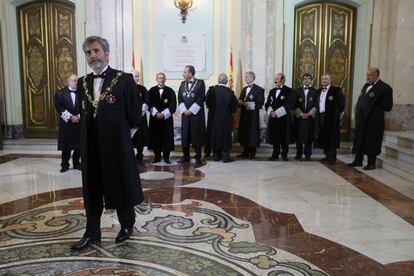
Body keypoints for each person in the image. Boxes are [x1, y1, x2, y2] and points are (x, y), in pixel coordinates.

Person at [71, 36, 143, 251]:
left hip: (117, 146)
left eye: (96, 51)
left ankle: (127, 225)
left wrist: (122, 137)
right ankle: (92, 233)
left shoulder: (124, 79)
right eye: (88, 53)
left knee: (119, 184)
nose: (93, 55)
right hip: (91, 146)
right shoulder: (83, 82)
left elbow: (135, 114)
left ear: (106, 53)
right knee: (91, 189)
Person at [348, 68, 393, 170]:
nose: (367, 77)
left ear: (377, 75)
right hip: (362, 120)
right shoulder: (366, 86)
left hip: (374, 121)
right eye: (367, 75)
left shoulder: (385, 88)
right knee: (360, 140)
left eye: (370, 75)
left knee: (372, 141)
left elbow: (388, 106)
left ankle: (371, 163)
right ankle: (358, 160)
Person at [206, 73, 238, 162]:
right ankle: (225, 156)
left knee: (216, 135)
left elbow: (208, 103)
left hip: (214, 118)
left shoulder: (212, 90)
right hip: (226, 118)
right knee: (225, 136)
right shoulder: (230, 92)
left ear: (218, 80)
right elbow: (234, 106)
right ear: (227, 81)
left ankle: (216, 156)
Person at [177, 65, 206, 164]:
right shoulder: (182, 84)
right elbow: (180, 98)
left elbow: (200, 98)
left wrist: (191, 110)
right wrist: (184, 110)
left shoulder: (200, 83)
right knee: (185, 136)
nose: (183, 74)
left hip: (196, 115)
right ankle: (186, 156)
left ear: (190, 73)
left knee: (196, 135)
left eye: (185, 72)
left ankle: (198, 157)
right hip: (185, 115)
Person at [315, 74, 345, 165]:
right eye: (322, 79)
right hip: (320, 115)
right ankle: (327, 155)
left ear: (330, 80)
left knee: (331, 137)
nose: (324, 80)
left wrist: (337, 116)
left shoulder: (336, 90)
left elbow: (341, 104)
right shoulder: (319, 90)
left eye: (326, 79)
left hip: (331, 117)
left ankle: (332, 157)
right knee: (324, 135)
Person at [148, 73, 177, 164]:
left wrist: (163, 114)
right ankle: (157, 157)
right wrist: (156, 113)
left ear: (165, 79)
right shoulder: (151, 90)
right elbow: (148, 103)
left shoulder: (170, 91)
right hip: (155, 120)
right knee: (155, 137)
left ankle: (166, 157)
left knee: (166, 138)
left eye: (163, 78)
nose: (161, 80)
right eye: (159, 78)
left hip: (166, 120)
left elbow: (173, 105)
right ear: (156, 79)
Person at [54, 74, 81, 172]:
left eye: (77, 80)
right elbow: (59, 107)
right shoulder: (60, 93)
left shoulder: (82, 93)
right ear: (68, 81)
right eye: (74, 80)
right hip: (67, 124)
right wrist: (70, 117)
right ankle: (64, 165)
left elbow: (85, 107)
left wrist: (78, 117)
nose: (76, 82)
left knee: (79, 145)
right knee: (66, 146)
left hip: (79, 123)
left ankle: (77, 163)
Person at [265, 73, 294, 161]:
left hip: (284, 118)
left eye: (277, 78)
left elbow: (289, 104)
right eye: (275, 78)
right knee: (275, 137)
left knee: (284, 137)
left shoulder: (289, 91)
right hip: (273, 118)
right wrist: (271, 112)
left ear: (283, 80)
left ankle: (284, 154)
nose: (275, 80)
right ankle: (275, 154)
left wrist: (277, 113)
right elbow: (267, 104)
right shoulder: (272, 91)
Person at [237, 71, 265, 159]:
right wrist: (239, 103)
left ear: (252, 78)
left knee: (252, 134)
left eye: (247, 77)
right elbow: (240, 100)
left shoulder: (259, 89)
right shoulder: (244, 89)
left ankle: (252, 153)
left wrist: (246, 104)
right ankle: (245, 152)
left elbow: (260, 104)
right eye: (245, 77)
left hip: (253, 116)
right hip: (244, 115)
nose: (245, 78)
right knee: (245, 133)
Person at [293, 73, 317, 161]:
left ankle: (308, 155)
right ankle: (298, 154)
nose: (307, 80)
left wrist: (309, 114)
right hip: (299, 117)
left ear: (311, 80)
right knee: (299, 136)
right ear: (302, 80)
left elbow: (316, 105)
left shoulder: (315, 91)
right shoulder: (297, 91)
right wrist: (300, 114)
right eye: (305, 78)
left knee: (309, 137)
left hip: (310, 118)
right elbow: (294, 104)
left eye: (308, 78)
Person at [131, 70, 149, 165]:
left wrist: (139, 114)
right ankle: (130, 156)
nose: (137, 78)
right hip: (130, 119)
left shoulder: (143, 89)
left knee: (140, 138)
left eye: (138, 76)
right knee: (130, 137)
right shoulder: (126, 88)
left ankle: (140, 155)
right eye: (135, 76)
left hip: (140, 118)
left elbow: (146, 102)